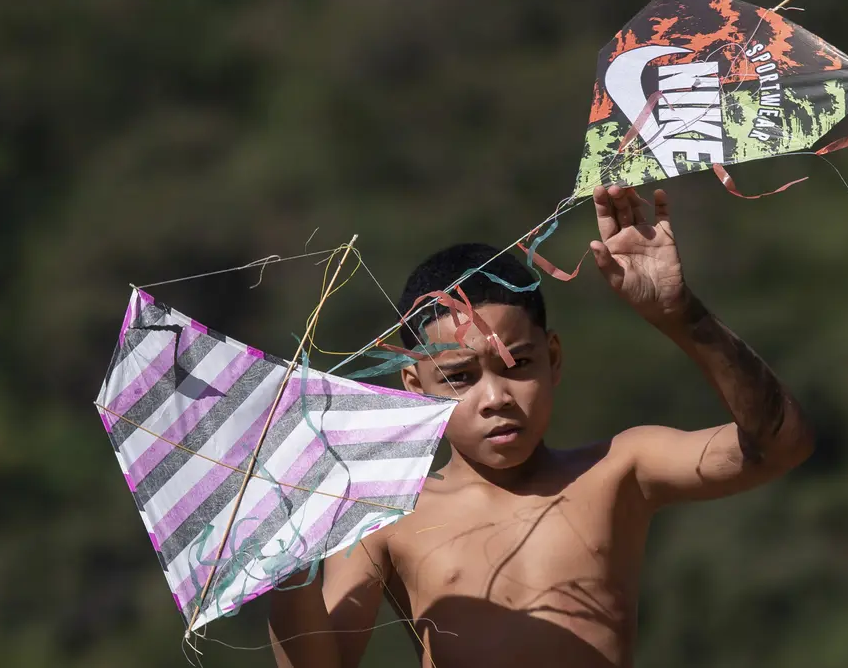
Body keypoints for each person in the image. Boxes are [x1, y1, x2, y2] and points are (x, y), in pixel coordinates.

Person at [267, 184, 815, 668]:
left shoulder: (617, 471)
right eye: (458, 377)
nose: (495, 398)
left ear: (553, 358)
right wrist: (280, 556)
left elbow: (780, 446)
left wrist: (680, 313)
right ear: (415, 389)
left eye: (517, 364)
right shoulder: (387, 517)